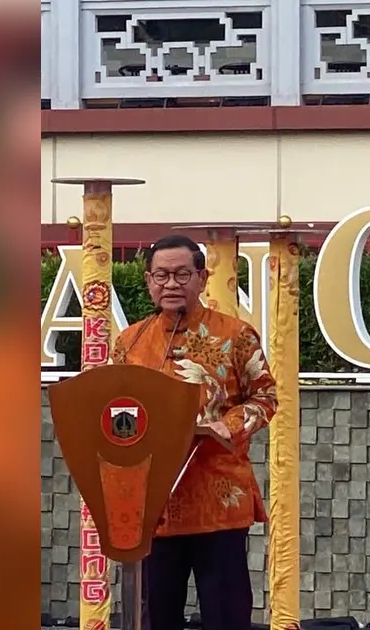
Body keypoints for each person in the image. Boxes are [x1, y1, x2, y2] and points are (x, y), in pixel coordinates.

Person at [112, 235, 278, 630]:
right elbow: (115, 406)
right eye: (161, 275)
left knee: (226, 617)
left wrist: (227, 425)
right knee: (154, 617)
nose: (171, 284)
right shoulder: (130, 342)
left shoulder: (236, 335)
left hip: (217, 503)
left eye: (182, 274)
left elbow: (266, 396)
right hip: (154, 505)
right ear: (148, 281)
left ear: (202, 278)